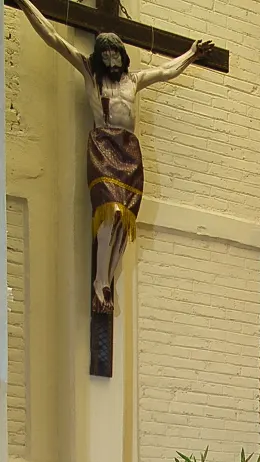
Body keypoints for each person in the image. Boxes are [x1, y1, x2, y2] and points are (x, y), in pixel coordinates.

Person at [15, 0, 213, 310]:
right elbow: (53, 37)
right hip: (103, 147)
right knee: (112, 211)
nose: (111, 59)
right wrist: (26, 4)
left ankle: (108, 277)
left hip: (129, 151)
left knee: (124, 219)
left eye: (115, 53)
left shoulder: (134, 81)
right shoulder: (90, 73)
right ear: (99, 57)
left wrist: (191, 54)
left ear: (122, 55)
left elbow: (165, 71)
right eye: (105, 54)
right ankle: (99, 281)